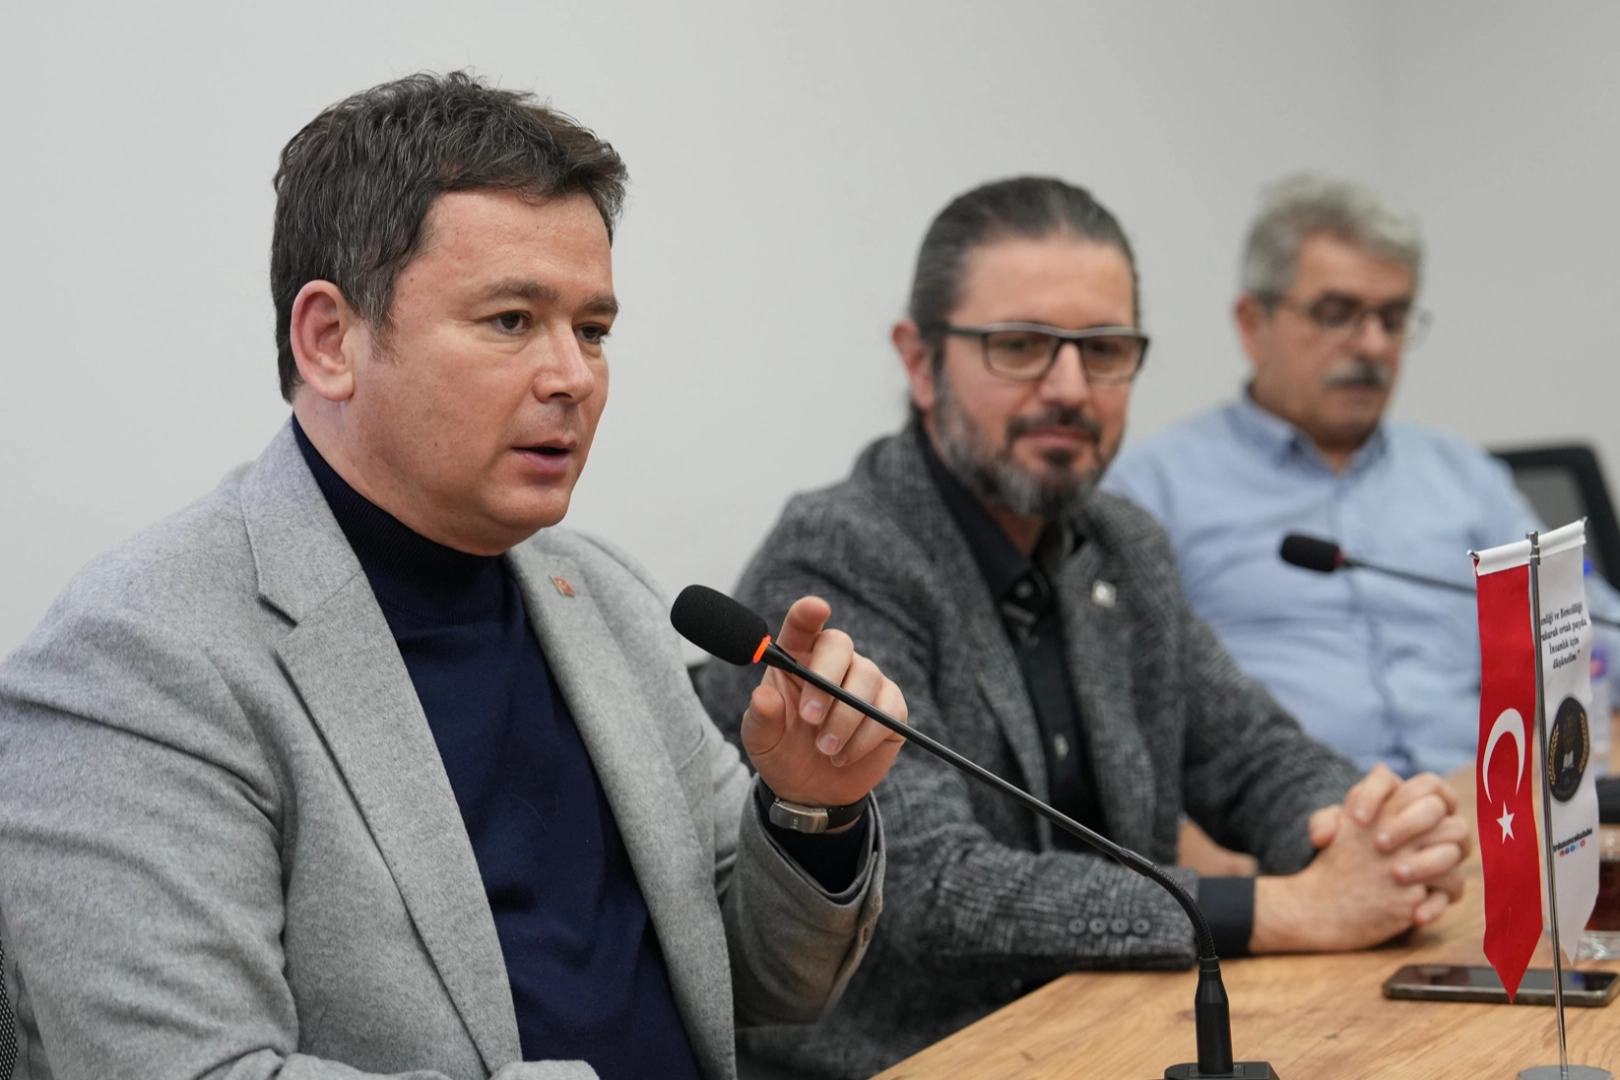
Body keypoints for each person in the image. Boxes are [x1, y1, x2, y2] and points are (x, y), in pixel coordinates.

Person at [0, 73, 910, 1080]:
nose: (573, 376)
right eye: (512, 320)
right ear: (330, 341)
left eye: (593, 330)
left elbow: (757, 986)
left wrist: (809, 810)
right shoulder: (135, 660)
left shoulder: (601, 593)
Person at [696, 177, 1471, 1079]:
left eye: (1104, 351)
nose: (1070, 389)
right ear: (921, 361)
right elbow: (933, 884)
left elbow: (1251, 753)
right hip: (925, 1059)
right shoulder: (841, 553)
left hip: (1124, 1031)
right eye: (1021, 346)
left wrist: (1368, 832)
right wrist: (1285, 909)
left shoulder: (1121, 544)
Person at [1103, 174, 1590, 777]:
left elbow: (1587, 632)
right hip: (1298, 814)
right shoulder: (1150, 491)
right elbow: (1120, 714)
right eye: (1337, 315)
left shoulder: (1465, 477)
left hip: (1486, 802)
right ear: (1252, 324)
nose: (1373, 345)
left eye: (1393, 317)